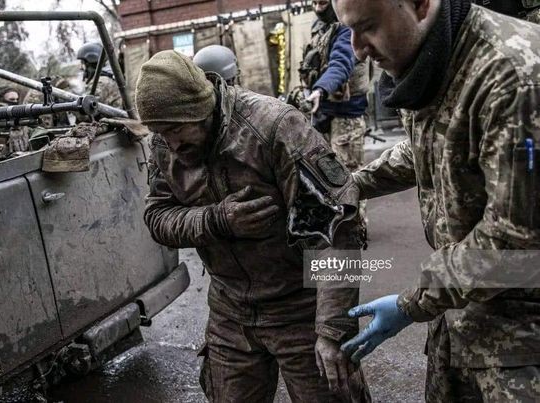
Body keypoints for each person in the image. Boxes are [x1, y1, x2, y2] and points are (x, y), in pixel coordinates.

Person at [332, 0, 540, 401]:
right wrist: (354, 184)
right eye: (349, 31)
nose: (357, 49)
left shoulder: (515, 79)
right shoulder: (429, 60)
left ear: (422, 4)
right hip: (459, 321)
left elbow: (511, 247)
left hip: (522, 344)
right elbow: (426, 147)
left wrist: (411, 303)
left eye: (369, 27)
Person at [139, 50, 371, 402]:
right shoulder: (163, 144)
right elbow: (157, 217)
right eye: (159, 133)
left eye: (175, 130)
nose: (170, 144)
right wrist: (216, 220)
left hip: (300, 309)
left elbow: (337, 231)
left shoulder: (276, 128)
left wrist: (332, 330)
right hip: (230, 311)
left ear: (202, 108)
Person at [295, 0, 371, 240]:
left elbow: (340, 64)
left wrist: (320, 90)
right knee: (327, 174)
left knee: (349, 175)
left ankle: (356, 228)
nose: (318, 4)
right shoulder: (320, 27)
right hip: (324, 112)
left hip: (346, 116)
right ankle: (339, 224)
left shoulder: (346, 26)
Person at [76, 42, 122, 108]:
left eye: (82, 63)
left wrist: (65, 92)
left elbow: (83, 114)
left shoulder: (98, 84)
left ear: (89, 62)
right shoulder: (106, 78)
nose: (81, 67)